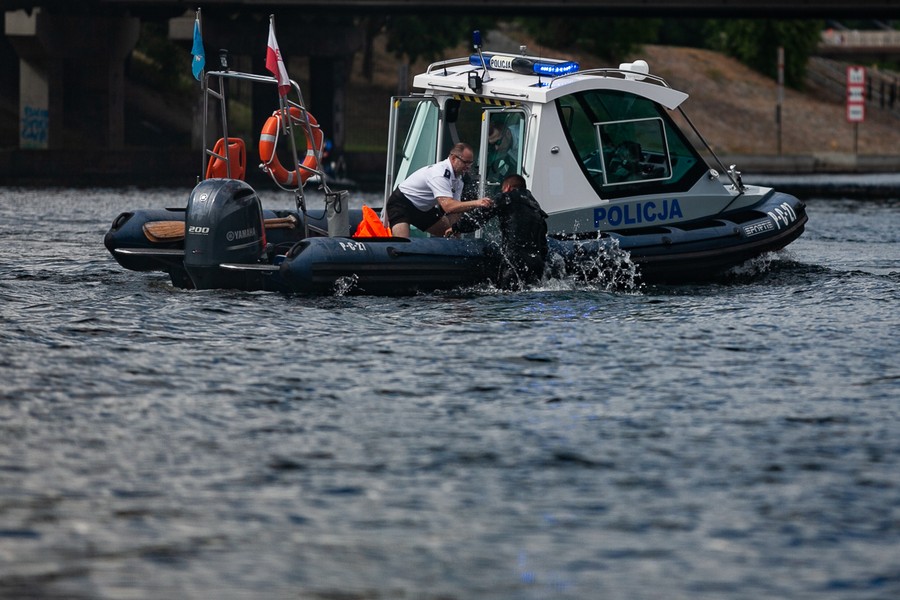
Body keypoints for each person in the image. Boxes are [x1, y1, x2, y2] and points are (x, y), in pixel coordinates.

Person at [447, 174, 548, 290]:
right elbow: (543, 242)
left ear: (508, 187)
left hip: (514, 260)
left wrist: (457, 227)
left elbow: (479, 216)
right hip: (537, 262)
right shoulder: (536, 208)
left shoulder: (507, 197)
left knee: (507, 295)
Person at [385, 143, 492, 238]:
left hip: (424, 209)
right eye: (465, 162)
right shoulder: (439, 173)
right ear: (454, 158)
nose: (468, 167)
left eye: (470, 163)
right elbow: (448, 206)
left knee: (451, 233)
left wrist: (455, 229)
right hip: (401, 204)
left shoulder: (458, 179)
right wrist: (477, 203)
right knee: (403, 245)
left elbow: (455, 210)